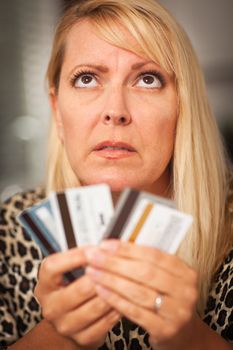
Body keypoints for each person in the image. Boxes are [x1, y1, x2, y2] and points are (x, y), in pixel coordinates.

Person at [0, 0, 232, 349]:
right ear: (57, 110)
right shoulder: (8, 231)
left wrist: (191, 338)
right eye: (87, 78)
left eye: (148, 79)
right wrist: (58, 337)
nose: (115, 111)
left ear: (183, 107)